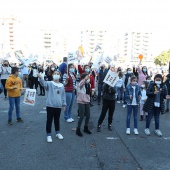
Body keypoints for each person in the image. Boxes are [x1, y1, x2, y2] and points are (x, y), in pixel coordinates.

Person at [38, 70, 66, 142]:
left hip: (58, 106)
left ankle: (57, 132)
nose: (56, 75)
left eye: (58, 74)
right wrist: (40, 78)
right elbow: (43, 84)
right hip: (50, 105)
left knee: (57, 120)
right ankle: (49, 134)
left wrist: (64, 104)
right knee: (49, 120)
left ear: (60, 76)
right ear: (53, 75)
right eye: (55, 74)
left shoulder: (62, 85)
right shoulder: (49, 83)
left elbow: (63, 96)